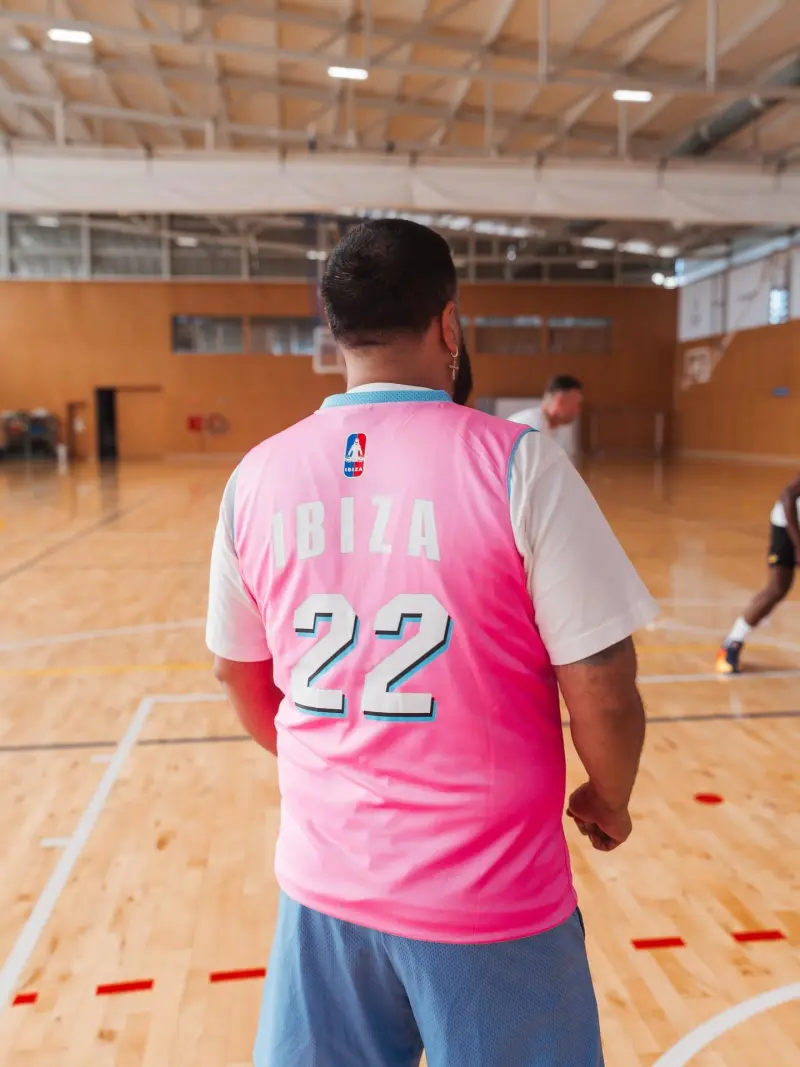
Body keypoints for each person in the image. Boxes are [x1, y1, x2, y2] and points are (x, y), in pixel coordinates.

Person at [206, 219, 657, 1067]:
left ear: (335, 333)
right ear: (450, 325)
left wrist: (333, 763)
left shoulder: (256, 475)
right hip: (490, 904)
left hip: (322, 893)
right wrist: (609, 793)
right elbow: (600, 679)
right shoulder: (518, 465)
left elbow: (237, 669)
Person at [716, 472, 800, 674]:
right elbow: (787, 496)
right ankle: (732, 642)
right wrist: (798, 545)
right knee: (778, 587)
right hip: (789, 524)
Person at [507, 374, 583, 462]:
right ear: (560, 401)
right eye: (576, 404)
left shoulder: (558, 429)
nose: (578, 410)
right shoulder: (531, 427)